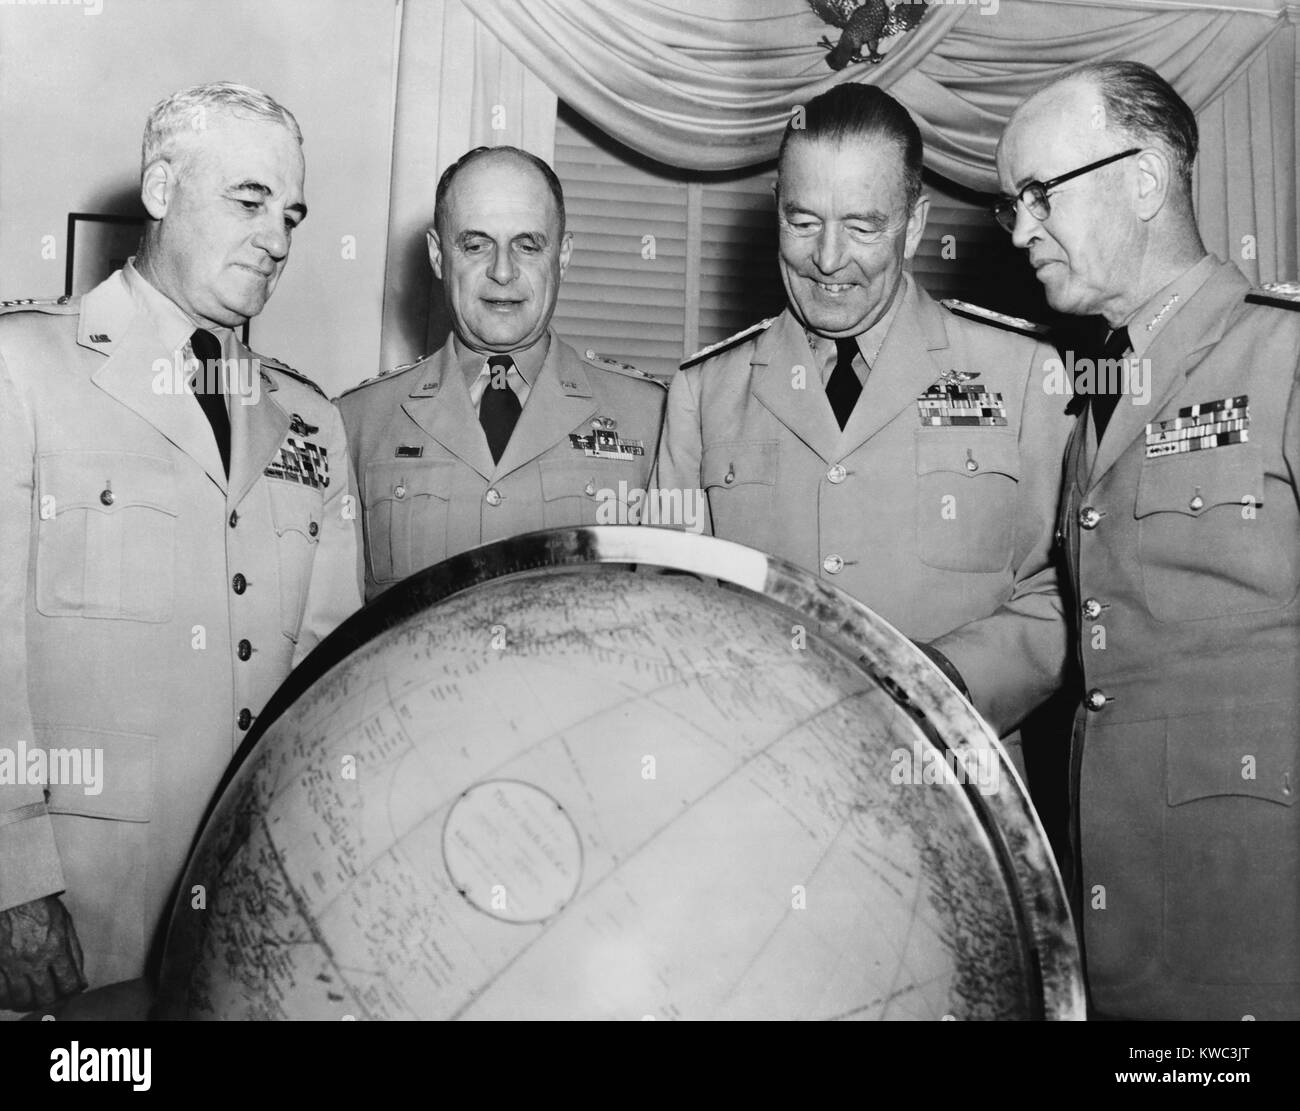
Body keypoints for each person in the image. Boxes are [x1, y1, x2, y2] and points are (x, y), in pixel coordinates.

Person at [0, 82, 363, 1012]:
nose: (278, 239)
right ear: (161, 189)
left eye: (291, 214)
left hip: (247, 914)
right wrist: (11, 882)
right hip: (73, 906)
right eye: (249, 201)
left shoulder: (310, 420)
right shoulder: (25, 371)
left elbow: (329, 685)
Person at [996, 60, 1300, 1020]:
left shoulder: (1283, 356)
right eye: (1010, 204)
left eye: (1040, 193)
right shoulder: (1103, 398)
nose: (1019, 228)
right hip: (1122, 930)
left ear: (1143, 180)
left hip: (1258, 926)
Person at [652, 84, 1072, 752]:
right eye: (803, 221)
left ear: (915, 225)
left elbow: (1062, 594)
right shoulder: (706, 392)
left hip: (956, 784)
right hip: (759, 775)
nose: (827, 259)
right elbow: (668, 609)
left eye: (863, 226)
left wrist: (940, 685)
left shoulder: (1024, 373)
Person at [338, 146, 666, 601]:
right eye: (475, 245)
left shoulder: (653, 419)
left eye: (527, 246)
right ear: (437, 256)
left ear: (563, 256)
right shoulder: (357, 423)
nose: (503, 272)